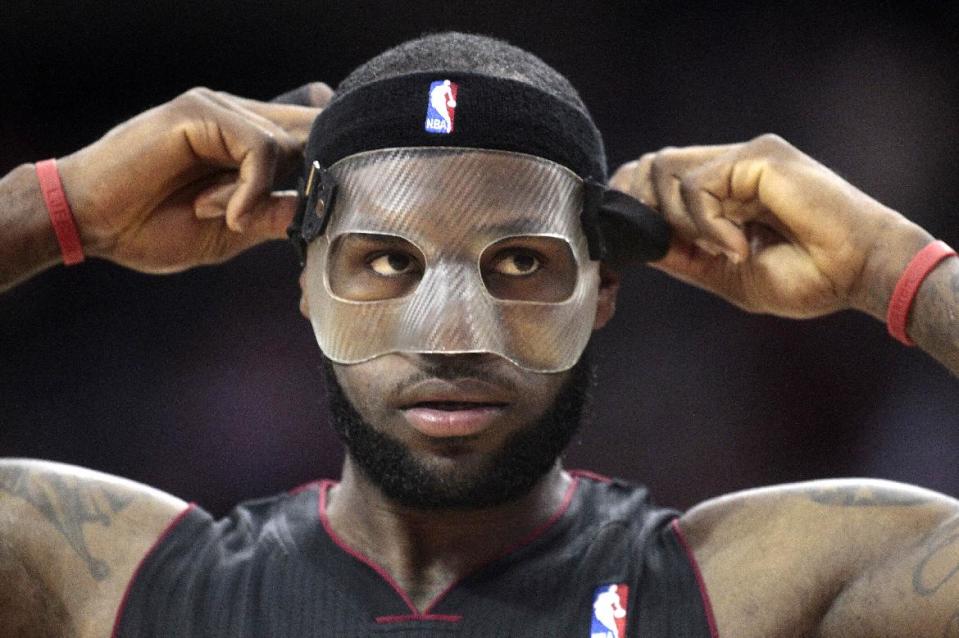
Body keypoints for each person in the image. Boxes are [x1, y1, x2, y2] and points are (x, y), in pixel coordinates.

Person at [1, 32, 957, 637]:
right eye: (386, 261)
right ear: (305, 284)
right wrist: (59, 205)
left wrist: (893, 270)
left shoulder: (760, 589)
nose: (453, 334)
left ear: (603, 287)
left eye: (519, 264)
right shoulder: (135, 587)